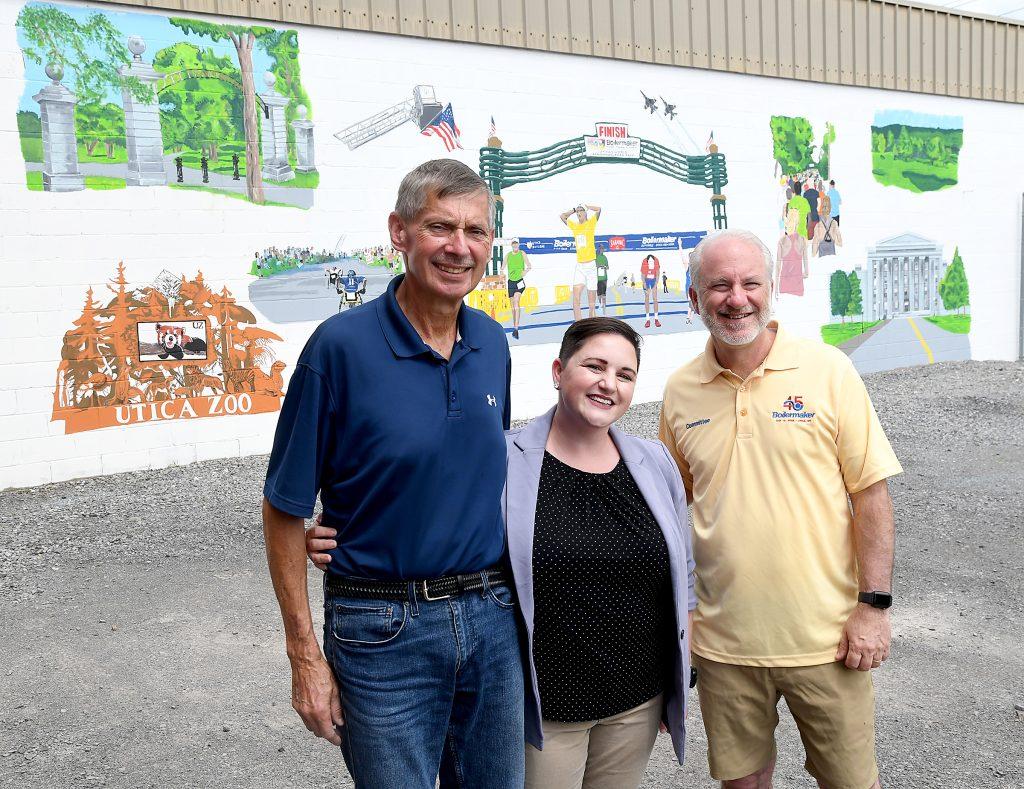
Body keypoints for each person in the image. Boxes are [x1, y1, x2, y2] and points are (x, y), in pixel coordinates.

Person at [310, 318, 697, 789]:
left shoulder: (654, 462)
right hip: (544, 707)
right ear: (558, 370)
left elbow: (684, 575)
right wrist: (348, 532)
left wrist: (680, 672)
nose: (607, 383)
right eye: (593, 366)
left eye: (624, 374)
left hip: (636, 701)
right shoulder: (504, 458)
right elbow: (434, 515)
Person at [261, 159, 524, 789]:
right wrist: (304, 655)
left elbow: (482, 475)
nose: (460, 247)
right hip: (382, 631)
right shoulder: (339, 348)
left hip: (491, 620)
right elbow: (283, 507)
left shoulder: (492, 343)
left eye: (476, 231)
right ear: (399, 233)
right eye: (440, 227)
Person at [660, 228, 902, 789]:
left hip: (828, 638)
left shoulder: (828, 371)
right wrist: (684, 618)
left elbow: (870, 495)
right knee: (743, 783)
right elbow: (675, 510)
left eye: (750, 283)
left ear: (771, 290)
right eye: (719, 285)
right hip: (724, 646)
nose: (736, 298)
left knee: (851, 782)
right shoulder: (680, 391)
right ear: (695, 298)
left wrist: (874, 606)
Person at [560, 203, 602, 321]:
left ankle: (591, 328)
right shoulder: (574, 225)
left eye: (580, 211)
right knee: (576, 299)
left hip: (591, 267)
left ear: (585, 213)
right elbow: (562, 216)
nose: (578, 213)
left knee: (591, 304)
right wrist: (573, 209)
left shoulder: (591, 223)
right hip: (580, 267)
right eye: (577, 211)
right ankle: (578, 326)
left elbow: (599, 209)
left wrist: (587, 206)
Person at [502, 238, 531, 339]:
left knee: (516, 302)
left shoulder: (522, 253)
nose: (515, 245)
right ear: (511, 245)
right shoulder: (508, 255)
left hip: (519, 282)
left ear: (518, 244)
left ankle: (516, 328)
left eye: (516, 243)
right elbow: (502, 267)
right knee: (513, 307)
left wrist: (525, 272)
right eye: (513, 244)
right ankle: (515, 327)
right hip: (511, 282)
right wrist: (502, 272)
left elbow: (529, 266)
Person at [776, 208, 809, 297]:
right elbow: (806, 265)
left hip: (784, 284)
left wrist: (775, 290)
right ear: (798, 222)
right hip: (798, 285)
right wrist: (805, 274)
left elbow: (778, 267)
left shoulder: (782, 241)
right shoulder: (802, 240)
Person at [640, 254, 661, 328]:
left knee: (655, 299)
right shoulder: (644, 263)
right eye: (649, 262)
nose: (651, 263)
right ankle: (647, 319)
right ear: (647, 262)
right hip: (646, 280)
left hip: (653, 280)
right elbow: (642, 275)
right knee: (647, 298)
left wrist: (655, 284)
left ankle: (656, 318)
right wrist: (645, 284)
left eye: (652, 262)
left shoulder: (656, 262)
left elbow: (658, 275)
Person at [594, 242, 610, 315]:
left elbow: (608, 267)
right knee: (599, 294)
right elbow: (593, 266)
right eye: (600, 248)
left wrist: (605, 266)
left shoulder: (605, 257)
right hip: (597, 278)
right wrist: (598, 266)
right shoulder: (595, 257)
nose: (602, 250)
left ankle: (604, 308)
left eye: (602, 249)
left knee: (604, 294)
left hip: (604, 278)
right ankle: (600, 306)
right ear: (598, 249)